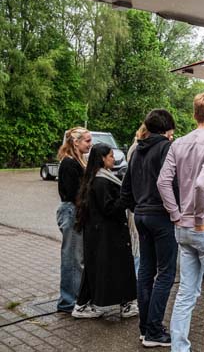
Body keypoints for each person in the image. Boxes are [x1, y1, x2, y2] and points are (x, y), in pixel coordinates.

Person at [157, 92, 204, 352]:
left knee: (187, 292)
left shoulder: (178, 144)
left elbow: (163, 182)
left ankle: (179, 348)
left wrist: (177, 215)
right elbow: (203, 183)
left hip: (183, 229)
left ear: (194, 115)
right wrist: (200, 219)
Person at [121, 110, 177, 348]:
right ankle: (154, 329)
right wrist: (176, 210)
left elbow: (126, 191)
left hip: (141, 215)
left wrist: (139, 207)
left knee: (145, 271)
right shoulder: (166, 148)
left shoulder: (137, 150)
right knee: (165, 273)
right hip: (161, 216)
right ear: (167, 128)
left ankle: (145, 328)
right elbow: (173, 182)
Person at [71, 143, 137, 319]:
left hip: (103, 233)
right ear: (102, 158)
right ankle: (121, 303)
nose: (113, 159)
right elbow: (109, 208)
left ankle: (89, 304)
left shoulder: (96, 177)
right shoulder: (101, 181)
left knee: (99, 268)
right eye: (110, 156)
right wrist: (125, 198)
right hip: (107, 234)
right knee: (116, 267)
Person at [56, 126, 92, 313]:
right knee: (72, 259)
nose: (90, 144)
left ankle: (75, 298)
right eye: (87, 140)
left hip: (75, 212)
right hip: (71, 212)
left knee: (78, 258)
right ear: (75, 142)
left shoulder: (78, 160)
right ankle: (68, 301)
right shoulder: (69, 163)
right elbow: (72, 193)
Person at [126, 123, 150, 278]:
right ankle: (135, 288)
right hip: (139, 205)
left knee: (139, 250)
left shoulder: (135, 148)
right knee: (138, 252)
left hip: (137, 205)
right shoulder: (138, 149)